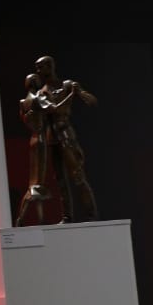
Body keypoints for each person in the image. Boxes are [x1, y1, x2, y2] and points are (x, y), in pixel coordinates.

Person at [33, 55, 98, 222]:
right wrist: (72, 95)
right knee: (61, 181)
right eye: (37, 68)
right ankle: (67, 216)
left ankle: (91, 215)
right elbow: (56, 110)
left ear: (50, 66)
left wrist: (80, 92)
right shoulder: (41, 93)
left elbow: (92, 101)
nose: (38, 71)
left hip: (66, 135)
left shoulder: (67, 85)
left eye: (40, 67)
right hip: (52, 139)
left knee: (78, 175)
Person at [15, 73, 50, 227]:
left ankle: (39, 219)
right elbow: (52, 108)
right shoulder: (37, 99)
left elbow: (25, 119)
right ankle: (21, 218)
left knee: (35, 182)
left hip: (33, 139)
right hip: (40, 139)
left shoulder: (24, 102)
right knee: (36, 183)